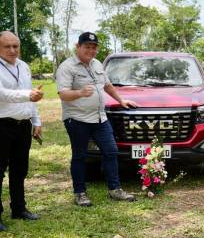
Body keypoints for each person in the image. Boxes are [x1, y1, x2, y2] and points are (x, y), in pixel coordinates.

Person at [56, 32, 137, 206]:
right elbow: (63, 94)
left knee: (111, 151)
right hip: (77, 119)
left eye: (94, 47)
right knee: (80, 156)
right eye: (87, 47)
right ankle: (80, 193)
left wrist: (121, 100)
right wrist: (79, 92)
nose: (91, 51)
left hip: (100, 118)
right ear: (78, 47)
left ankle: (115, 190)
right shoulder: (67, 67)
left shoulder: (98, 64)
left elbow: (107, 85)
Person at [0, 31, 43, 231]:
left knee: (20, 170)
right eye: (7, 46)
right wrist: (28, 95)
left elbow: (32, 94)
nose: (12, 50)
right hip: (2, 125)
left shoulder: (24, 66)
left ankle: (19, 208)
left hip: (22, 125)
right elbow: (3, 94)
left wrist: (36, 120)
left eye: (15, 46)